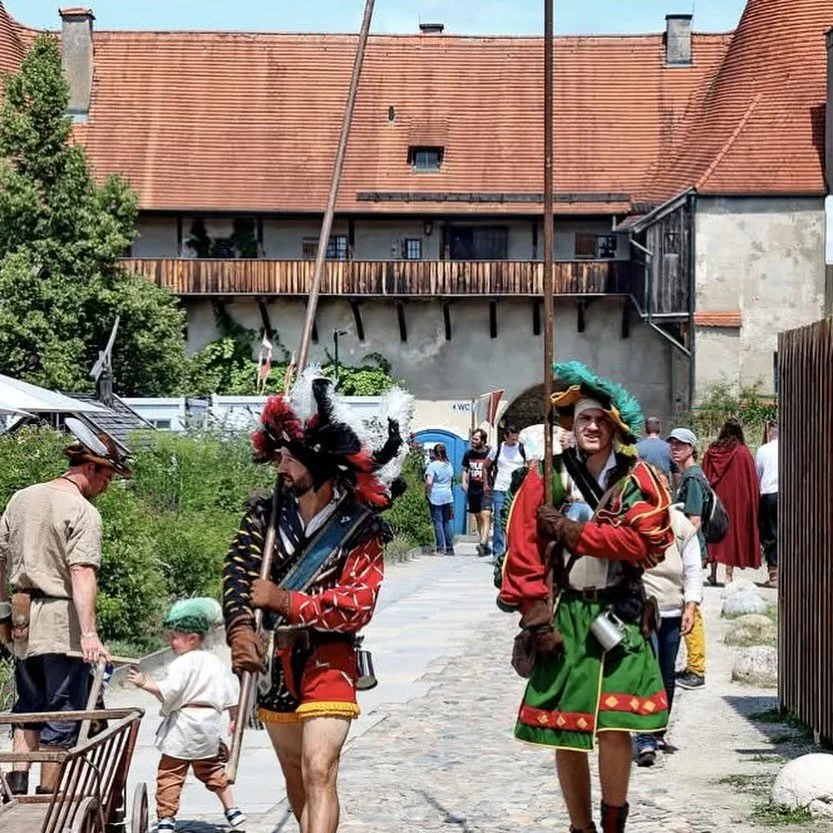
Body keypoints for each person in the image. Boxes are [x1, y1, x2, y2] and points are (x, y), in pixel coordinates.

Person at [223, 374, 412, 833]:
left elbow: (357, 604)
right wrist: (241, 630)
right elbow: (236, 577)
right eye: (280, 455)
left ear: (319, 465)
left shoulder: (361, 528)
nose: (281, 467)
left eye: (290, 458)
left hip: (331, 656)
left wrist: (287, 600)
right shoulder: (264, 518)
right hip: (275, 661)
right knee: (295, 777)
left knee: (319, 769)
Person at [498, 361, 673, 833]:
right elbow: (522, 550)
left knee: (617, 726)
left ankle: (613, 823)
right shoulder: (549, 475)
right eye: (582, 420)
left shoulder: (640, 480)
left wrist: (576, 532)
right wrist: (536, 618)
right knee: (567, 731)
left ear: (614, 427)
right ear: (570, 426)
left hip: (622, 611)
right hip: (567, 614)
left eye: (599, 420)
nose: (591, 427)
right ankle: (581, 828)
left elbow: (646, 545)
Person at [0, 423, 130, 796]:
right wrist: (89, 633)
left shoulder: (21, 498)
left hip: (22, 621)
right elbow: (81, 572)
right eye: (108, 476)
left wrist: (1, 612)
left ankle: (17, 789)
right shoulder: (83, 511)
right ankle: (46, 799)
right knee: (62, 713)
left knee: (28, 708)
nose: (107, 487)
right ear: (90, 468)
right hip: (60, 624)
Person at [128, 598, 245, 832]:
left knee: (170, 772)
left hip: (184, 726)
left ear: (192, 638)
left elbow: (168, 690)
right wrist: (233, 719)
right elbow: (231, 693)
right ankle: (232, 810)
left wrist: (143, 682)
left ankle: (166, 819)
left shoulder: (183, 663)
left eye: (175, 637)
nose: (171, 642)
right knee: (212, 769)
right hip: (207, 726)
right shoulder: (214, 662)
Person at [636, 507, 702, 767]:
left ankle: (658, 729)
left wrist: (691, 605)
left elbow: (693, 567)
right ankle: (645, 737)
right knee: (647, 671)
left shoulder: (680, 525)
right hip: (644, 608)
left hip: (673, 607)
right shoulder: (636, 518)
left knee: (666, 672)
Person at [667, 428, 709, 691]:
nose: (675, 448)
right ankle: (694, 665)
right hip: (690, 548)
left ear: (691, 448)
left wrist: (680, 550)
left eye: (681, 445)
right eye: (672, 444)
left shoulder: (692, 478)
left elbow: (694, 520)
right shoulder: (688, 476)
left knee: (692, 607)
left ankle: (697, 669)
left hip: (690, 549)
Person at [702, 418, 760, 584]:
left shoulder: (712, 451)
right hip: (736, 502)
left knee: (714, 531)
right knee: (732, 535)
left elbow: (705, 475)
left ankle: (712, 573)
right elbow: (751, 482)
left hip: (716, 499)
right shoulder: (742, 452)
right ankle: (728, 575)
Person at [488, 425, 527, 562]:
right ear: (505, 436)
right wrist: (486, 484)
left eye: (516, 437)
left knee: (516, 520)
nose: (514, 440)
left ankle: (513, 551)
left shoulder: (522, 448)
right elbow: (486, 466)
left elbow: (532, 464)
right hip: (500, 488)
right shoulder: (498, 449)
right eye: (512, 438)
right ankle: (498, 552)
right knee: (499, 520)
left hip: (518, 490)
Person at [462, 428, 492, 557]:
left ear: (483, 441)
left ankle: (483, 543)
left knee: (486, 515)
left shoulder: (490, 454)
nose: (473, 441)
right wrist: (464, 482)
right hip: (473, 489)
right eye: (472, 439)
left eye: (476, 439)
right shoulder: (469, 454)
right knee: (478, 517)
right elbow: (465, 469)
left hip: (485, 488)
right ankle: (483, 544)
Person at [756, 420, 779, 588]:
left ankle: (774, 575)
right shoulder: (791, 448)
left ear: (770, 433)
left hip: (769, 494)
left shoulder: (763, 450)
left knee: (770, 535)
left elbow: (757, 474)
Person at [425, 443, 455, 555]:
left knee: (438, 522)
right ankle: (450, 548)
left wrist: (426, 491)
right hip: (447, 496)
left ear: (435, 453)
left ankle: (440, 548)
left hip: (435, 496)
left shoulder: (432, 466)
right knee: (446, 522)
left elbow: (429, 482)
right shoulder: (449, 465)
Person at [636, 417, 677, 483]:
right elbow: (676, 474)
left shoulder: (636, 447)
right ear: (660, 429)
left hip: (643, 488)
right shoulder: (670, 448)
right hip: (662, 488)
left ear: (645, 430)